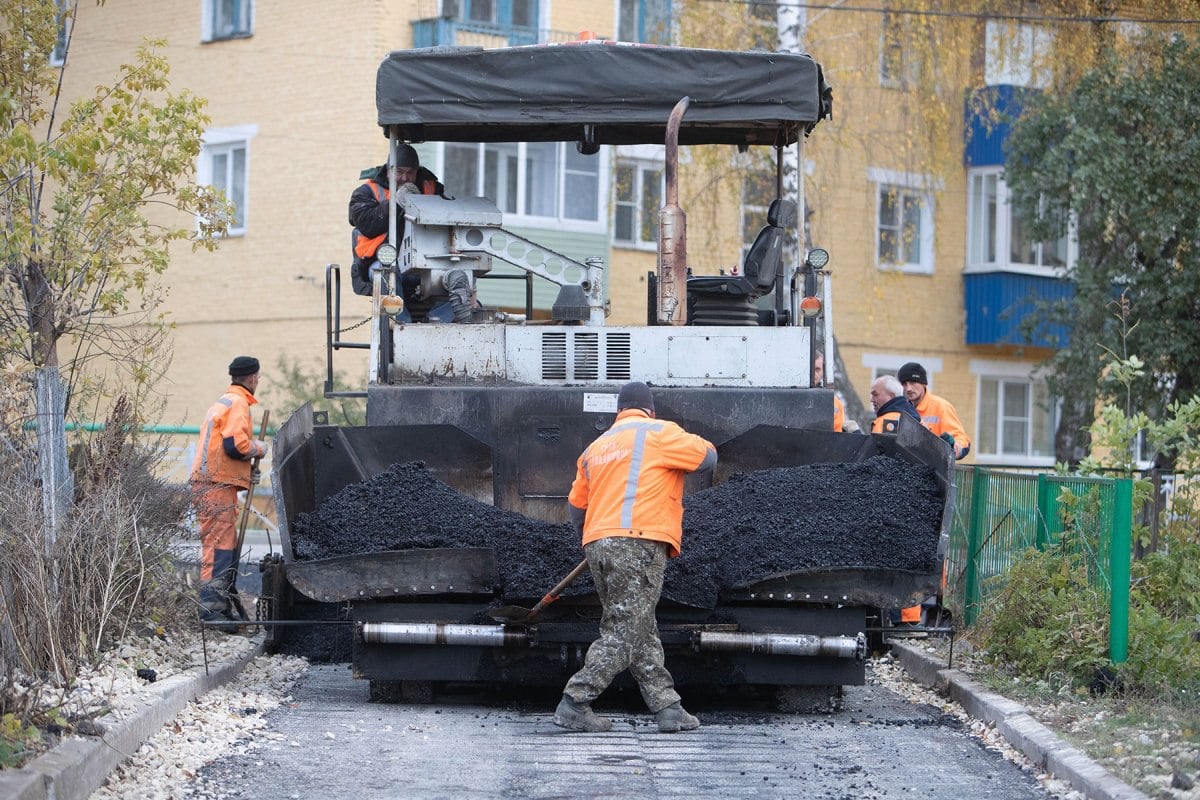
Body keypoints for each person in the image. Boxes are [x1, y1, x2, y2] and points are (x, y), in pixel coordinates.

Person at [554, 381, 717, 734]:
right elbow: (708, 458)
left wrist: (603, 531)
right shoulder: (659, 432)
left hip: (597, 544)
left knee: (640, 625)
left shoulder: (595, 448)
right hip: (638, 543)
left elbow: (576, 508)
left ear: (618, 412)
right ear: (650, 409)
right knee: (626, 628)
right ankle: (576, 701)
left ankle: (667, 706)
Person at [188, 356, 268, 632]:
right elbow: (236, 444)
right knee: (218, 546)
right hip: (215, 485)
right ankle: (211, 612)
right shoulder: (239, 403)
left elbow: (223, 450)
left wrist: (245, 473)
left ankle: (219, 607)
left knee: (223, 544)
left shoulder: (224, 400)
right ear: (253, 378)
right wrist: (258, 448)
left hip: (214, 483)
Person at [348, 143, 446, 297]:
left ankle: (441, 319)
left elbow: (447, 219)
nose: (405, 178)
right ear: (388, 171)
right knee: (387, 275)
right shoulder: (366, 192)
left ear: (417, 172)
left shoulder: (433, 190)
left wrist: (420, 202)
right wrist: (397, 201)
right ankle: (398, 320)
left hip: (424, 263)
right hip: (381, 261)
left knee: (452, 277)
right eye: (399, 172)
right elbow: (367, 225)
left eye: (410, 173)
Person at [897, 362, 971, 460]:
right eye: (904, 384)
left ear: (924, 383)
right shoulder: (902, 409)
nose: (908, 388)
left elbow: (962, 442)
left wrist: (952, 447)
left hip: (935, 471)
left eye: (913, 382)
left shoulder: (941, 407)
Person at [813, 354, 855, 433]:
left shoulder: (835, 403)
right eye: (810, 369)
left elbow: (837, 435)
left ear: (823, 372)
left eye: (817, 369)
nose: (814, 374)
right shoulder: (791, 396)